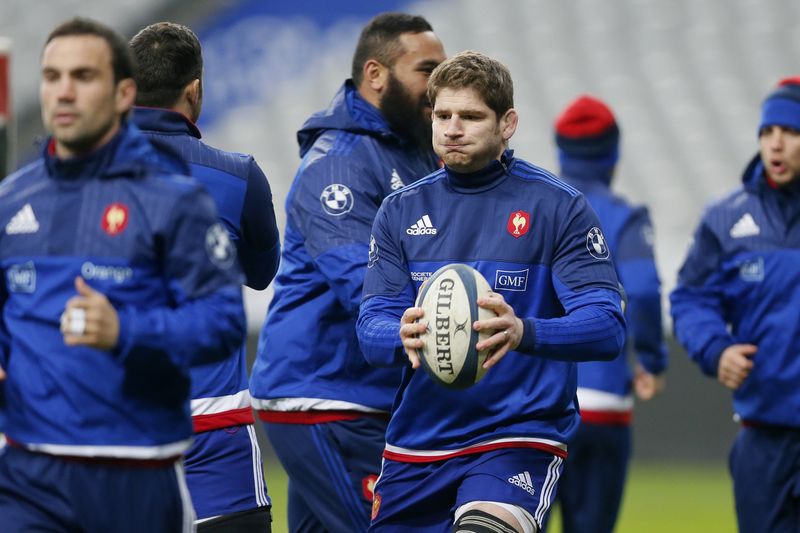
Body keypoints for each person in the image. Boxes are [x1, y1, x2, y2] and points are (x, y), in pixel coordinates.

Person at [357, 51, 626, 533]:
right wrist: (401, 334)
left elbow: (606, 326)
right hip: (420, 441)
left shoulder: (557, 207)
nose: (453, 128)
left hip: (517, 437)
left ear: (508, 123)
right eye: (442, 115)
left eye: (471, 116)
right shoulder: (399, 211)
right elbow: (371, 326)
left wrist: (524, 331)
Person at [0, 17, 246, 532]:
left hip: (137, 473)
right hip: (28, 479)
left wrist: (125, 330)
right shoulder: (11, 202)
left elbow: (222, 323)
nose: (64, 91)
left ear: (122, 94)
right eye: (52, 76)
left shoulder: (174, 201)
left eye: (83, 76)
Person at [248, 12, 446, 532]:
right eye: (427, 70)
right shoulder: (339, 164)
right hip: (325, 392)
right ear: (376, 75)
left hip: (363, 393)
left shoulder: (419, 154)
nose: (440, 86)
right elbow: (365, 288)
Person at [129, 22, 280, 532]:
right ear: (194, 90)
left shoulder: (76, 178)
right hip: (215, 439)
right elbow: (262, 274)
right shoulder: (238, 177)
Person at [670, 77, 800, 533]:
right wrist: (715, 349)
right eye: (767, 133)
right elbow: (690, 297)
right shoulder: (726, 218)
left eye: (790, 131)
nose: (776, 144)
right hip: (762, 437)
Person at [548, 95, 668, 533]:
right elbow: (643, 290)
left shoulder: (537, 208)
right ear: (613, 153)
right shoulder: (625, 218)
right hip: (603, 405)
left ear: (560, 150)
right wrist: (651, 360)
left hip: (539, 405)